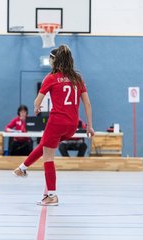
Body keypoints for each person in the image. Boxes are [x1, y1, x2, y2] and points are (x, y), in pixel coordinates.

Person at [13, 45, 94, 206]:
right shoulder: (77, 78)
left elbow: (37, 101)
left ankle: (51, 195)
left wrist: (37, 107)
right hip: (72, 125)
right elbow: (87, 103)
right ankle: (21, 169)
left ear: (54, 61)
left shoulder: (51, 77)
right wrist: (89, 126)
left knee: (48, 156)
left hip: (56, 122)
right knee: (45, 145)